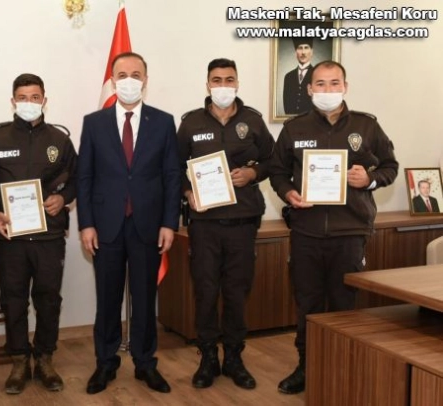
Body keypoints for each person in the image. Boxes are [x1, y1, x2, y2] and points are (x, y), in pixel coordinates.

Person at [269, 60, 399, 395]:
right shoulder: (295, 128)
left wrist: (369, 179)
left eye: (334, 83)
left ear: (345, 86)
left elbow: (390, 166)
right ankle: (306, 365)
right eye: (321, 84)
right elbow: (277, 171)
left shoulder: (366, 126)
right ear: (309, 89)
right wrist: (288, 193)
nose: (328, 90)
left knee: (344, 304)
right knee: (308, 303)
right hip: (306, 232)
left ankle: (344, 366)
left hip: (349, 233)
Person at [77, 52, 180, 395]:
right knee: (107, 299)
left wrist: (169, 223)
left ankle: (145, 363)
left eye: (136, 74)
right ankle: (105, 363)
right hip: (105, 226)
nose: (129, 80)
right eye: (122, 75)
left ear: (145, 80)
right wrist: (86, 224)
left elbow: (172, 176)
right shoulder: (94, 123)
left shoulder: (163, 122)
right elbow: (85, 177)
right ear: (112, 80)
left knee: (145, 299)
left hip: (148, 225)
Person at [177, 58, 274, 390]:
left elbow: (273, 160)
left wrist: (253, 173)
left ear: (237, 83)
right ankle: (208, 358)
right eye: (216, 80)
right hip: (204, 223)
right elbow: (173, 167)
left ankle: (234, 357)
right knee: (205, 291)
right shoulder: (190, 123)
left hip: (243, 221)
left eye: (229, 79)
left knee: (236, 291)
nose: (223, 85)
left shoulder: (253, 121)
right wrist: (187, 191)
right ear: (207, 85)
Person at [0, 73, 77, 394]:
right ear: (13, 101)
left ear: (44, 100)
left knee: (49, 300)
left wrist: (63, 199)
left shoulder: (60, 140)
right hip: (13, 238)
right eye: (22, 97)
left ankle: (45, 359)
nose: (29, 103)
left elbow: (78, 179)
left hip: (50, 237)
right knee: (13, 300)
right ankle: (19, 360)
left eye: (35, 97)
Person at [283, 38, 314, 114]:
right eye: (300, 48)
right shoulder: (288, 77)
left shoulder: (317, 74)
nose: (303, 52)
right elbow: (286, 102)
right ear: (295, 52)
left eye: (306, 48)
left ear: (311, 52)